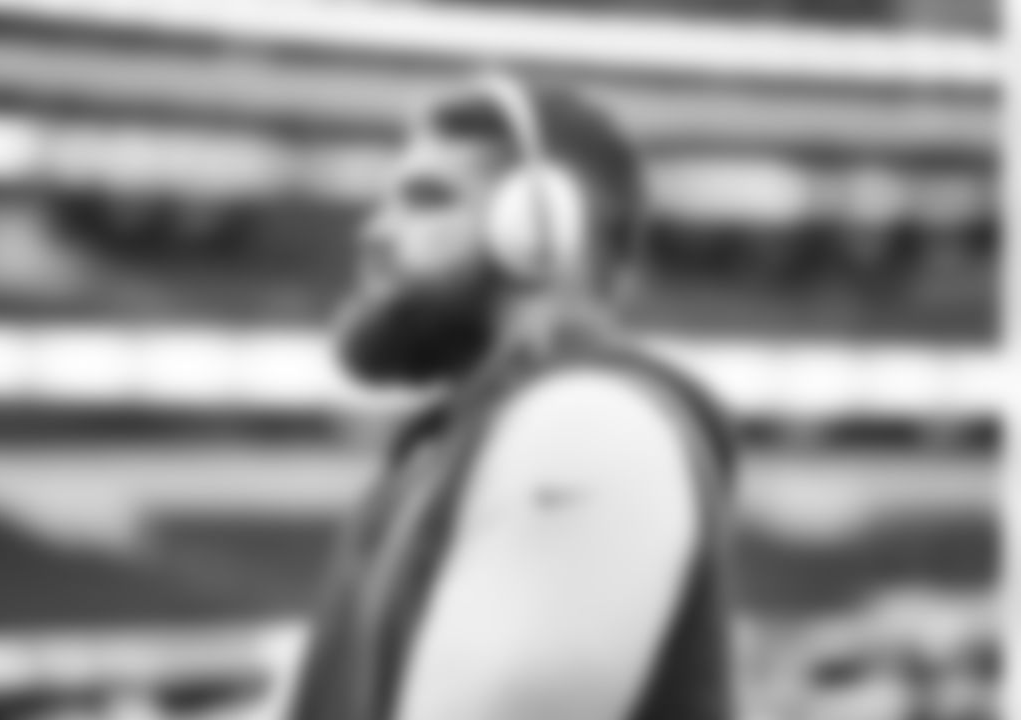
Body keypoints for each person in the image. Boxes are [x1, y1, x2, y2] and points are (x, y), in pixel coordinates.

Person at [288, 70, 740, 720]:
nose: (374, 232)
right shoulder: (451, 444)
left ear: (532, 227)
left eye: (427, 198)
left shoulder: (587, 425)